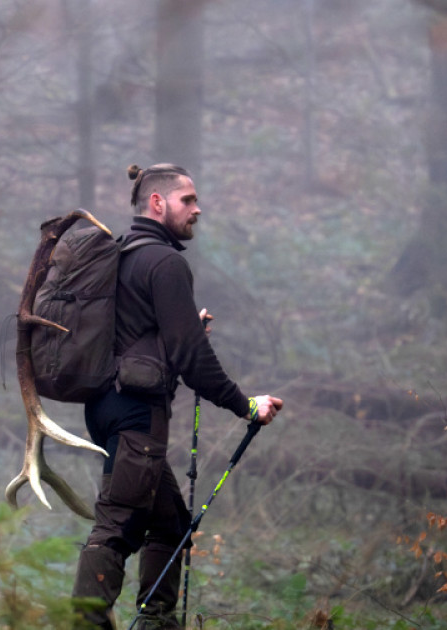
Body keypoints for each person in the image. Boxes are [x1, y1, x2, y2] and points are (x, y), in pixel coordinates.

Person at [72, 163, 284, 629]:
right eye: (187, 200)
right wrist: (245, 405)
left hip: (105, 409)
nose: (197, 208)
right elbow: (193, 360)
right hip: (136, 416)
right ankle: (86, 623)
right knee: (117, 525)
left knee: (170, 524)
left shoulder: (122, 255)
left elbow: (142, 339)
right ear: (157, 202)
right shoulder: (165, 263)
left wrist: (186, 331)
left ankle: (157, 623)